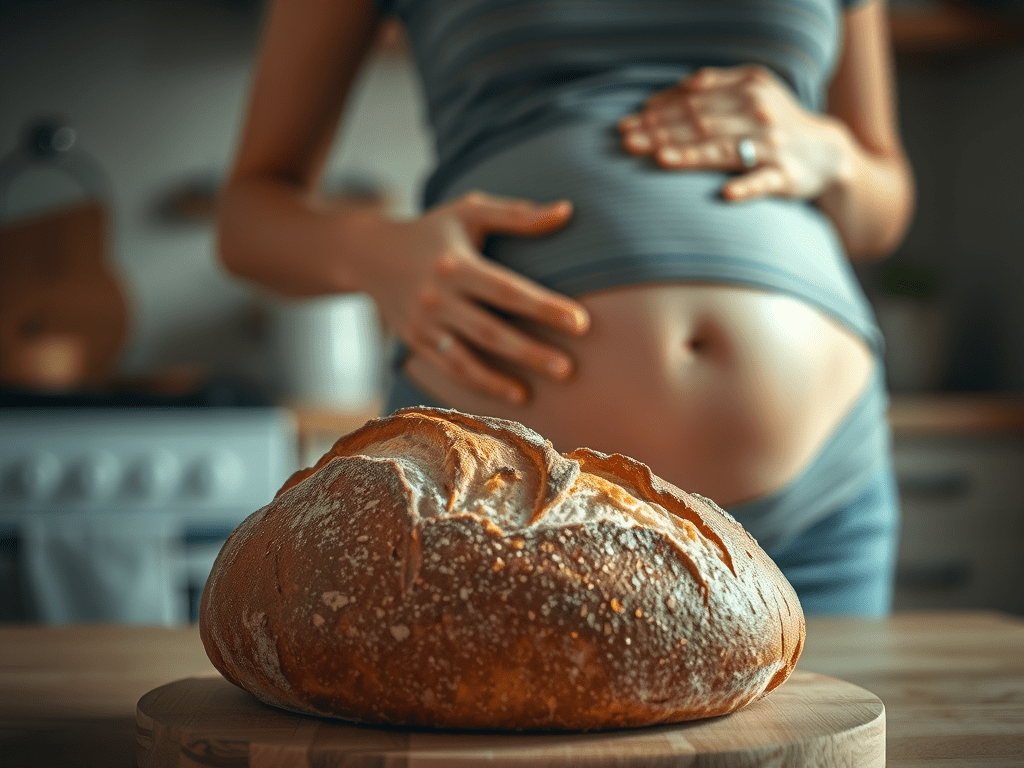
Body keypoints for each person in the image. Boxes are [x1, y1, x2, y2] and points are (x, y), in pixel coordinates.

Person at [217, 0, 915, 615]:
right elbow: (246, 217)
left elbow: (883, 208)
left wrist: (834, 154)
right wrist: (376, 252)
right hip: (492, 501)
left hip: (820, 496)